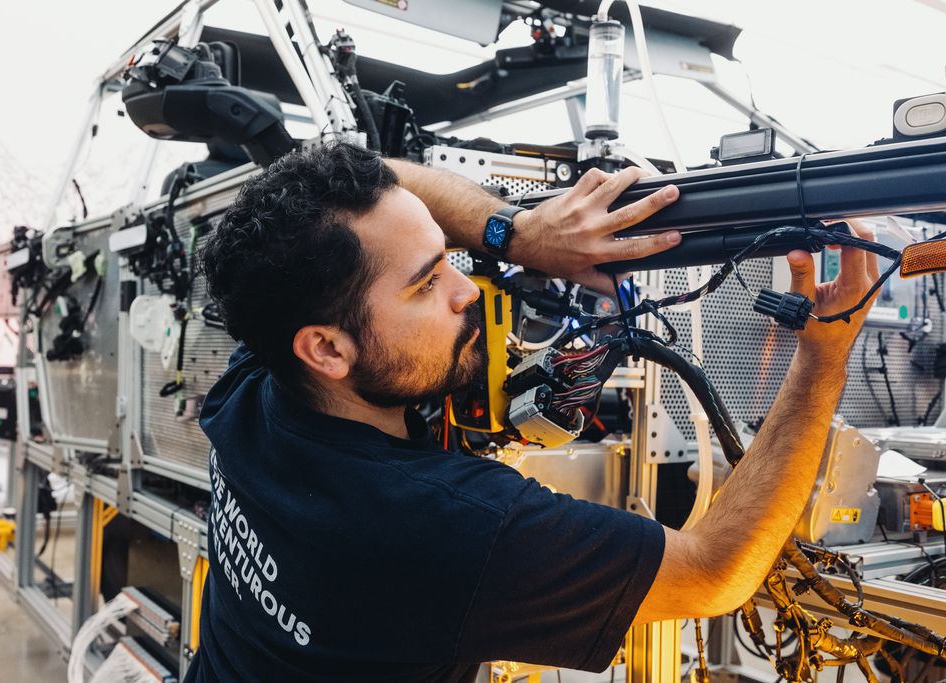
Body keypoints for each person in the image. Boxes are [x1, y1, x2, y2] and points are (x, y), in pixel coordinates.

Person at [184, 142, 877, 682]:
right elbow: (716, 572)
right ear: (328, 349)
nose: (468, 289)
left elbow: (376, 175)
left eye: (448, 259)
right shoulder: (442, 527)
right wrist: (823, 360)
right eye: (427, 283)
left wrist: (513, 232)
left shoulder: (257, 383)